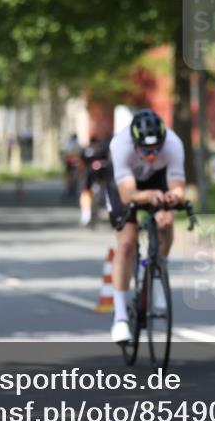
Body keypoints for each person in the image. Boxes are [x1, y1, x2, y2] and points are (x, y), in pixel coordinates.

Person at [106, 109, 186, 343]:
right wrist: (150, 196)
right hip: (126, 183)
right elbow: (127, 194)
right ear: (135, 144)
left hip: (157, 178)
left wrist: (169, 202)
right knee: (128, 243)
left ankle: (158, 273)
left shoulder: (173, 144)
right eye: (146, 151)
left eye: (156, 150)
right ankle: (120, 317)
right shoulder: (120, 145)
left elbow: (178, 187)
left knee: (166, 226)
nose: (151, 155)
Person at [79, 136, 111, 226]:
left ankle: (90, 213)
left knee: (92, 193)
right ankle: (86, 214)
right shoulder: (95, 151)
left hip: (98, 176)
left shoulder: (98, 151)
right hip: (91, 177)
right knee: (86, 193)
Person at [61, 133, 82, 201]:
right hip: (74, 163)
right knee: (74, 178)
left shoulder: (68, 144)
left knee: (68, 178)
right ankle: (72, 190)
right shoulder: (78, 144)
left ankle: (67, 190)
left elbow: (65, 154)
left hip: (69, 163)